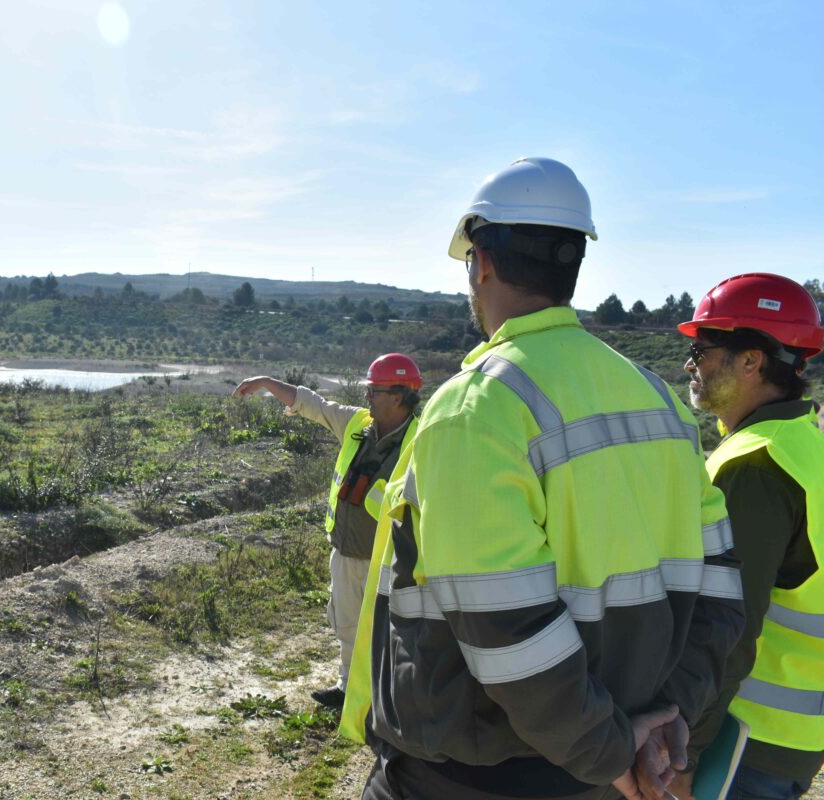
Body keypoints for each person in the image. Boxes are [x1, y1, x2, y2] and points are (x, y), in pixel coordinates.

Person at [339, 157, 745, 800]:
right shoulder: (657, 399)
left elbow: (507, 630)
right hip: (612, 762)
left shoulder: (476, 409)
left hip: (477, 777)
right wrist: (664, 727)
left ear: (483, 263)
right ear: (574, 266)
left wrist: (609, 748)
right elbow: (722, 591)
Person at [670, 273, 824, 800]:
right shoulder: (803, 441)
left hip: (739, 742)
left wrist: (686, 753)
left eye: (703, 348)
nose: (691, 363)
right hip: (789, 736)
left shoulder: (755, 466)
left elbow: (728, 628)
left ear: (752, 360)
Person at [233, 354, 423, 709]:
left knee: (392, 630)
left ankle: (391, 699)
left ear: (398, 396)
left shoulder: (423, 442)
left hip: (390, 560)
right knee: (348, 625)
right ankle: (349, 688)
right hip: (347, 551)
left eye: (374, 391)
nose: (367, 397)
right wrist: (268, 382)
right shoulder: (357, 423)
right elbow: (313, 405)